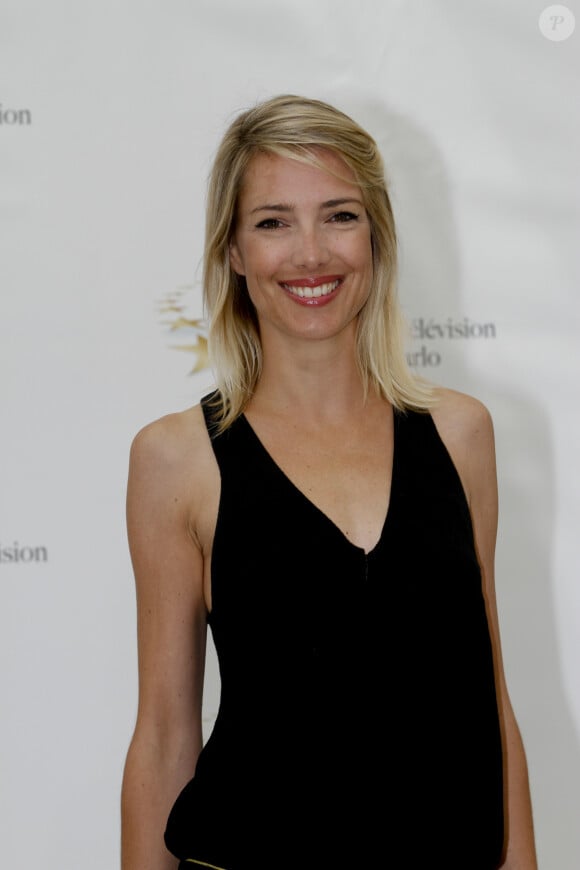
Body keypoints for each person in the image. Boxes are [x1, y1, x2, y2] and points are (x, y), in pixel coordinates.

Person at [121, 94, 537, 869]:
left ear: (376, 235)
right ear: (235, 252)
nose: (311, 253)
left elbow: (488, 698)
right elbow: (164, 734)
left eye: (339, 215)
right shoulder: (177, 459)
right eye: (273, 222)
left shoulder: (460, 434)